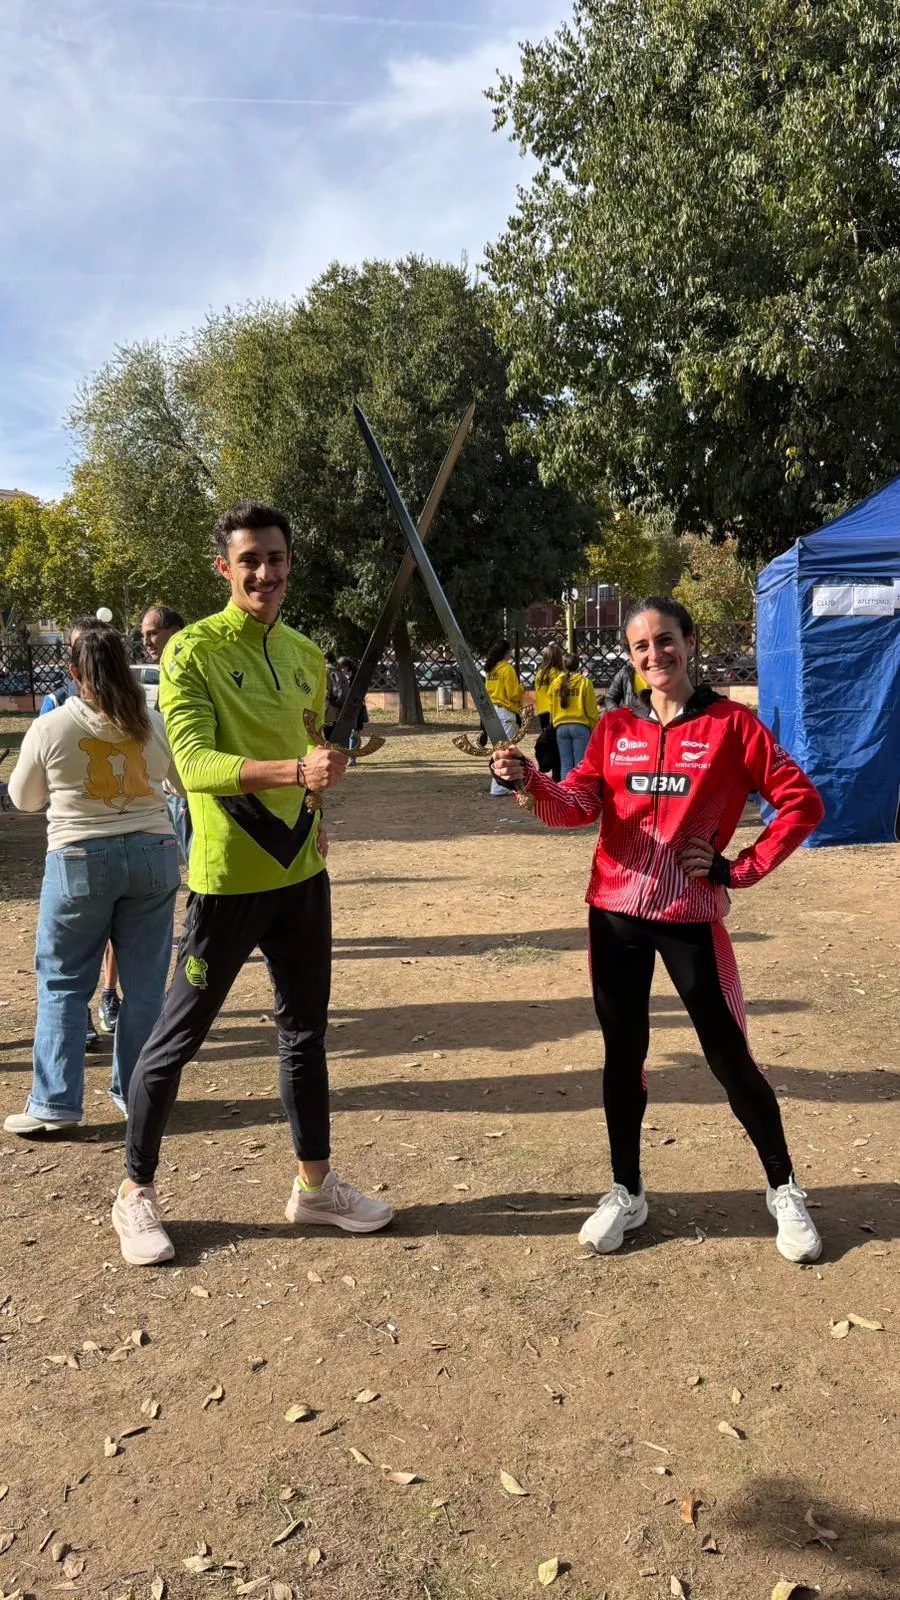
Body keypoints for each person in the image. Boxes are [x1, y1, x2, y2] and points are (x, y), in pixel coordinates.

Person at [490, 595, 826, 1265]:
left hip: (689, 917)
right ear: (631, 656)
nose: (654, 655)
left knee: (728, 1057)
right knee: (623, 1056)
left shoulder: (733, 726)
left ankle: (783, 1187)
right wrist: (530, 780)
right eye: (641, 646)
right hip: (614, 913)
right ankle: (627, 1191)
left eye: (665, 639)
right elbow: (576, 805)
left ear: (689, 641)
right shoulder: (615, 727)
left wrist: (737, 869)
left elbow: (802, 803)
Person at [112, 500, 393, 1268]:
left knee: (305, 1034)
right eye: (250, 561)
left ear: (289, 561)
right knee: (175, 1041)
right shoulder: (192, 651)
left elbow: (312, 753)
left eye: (275, 558)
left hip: (301, 877)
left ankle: (315, 1187)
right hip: (227, 882)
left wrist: (318, 801)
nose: (265, 573)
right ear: (224, 568)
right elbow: (194, 765)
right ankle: (135, 1190)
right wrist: (296, 771)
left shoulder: (305, 654)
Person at [4, 628, 182, 1136]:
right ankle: (139, 1094)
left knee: (63, 981)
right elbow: (181, 784)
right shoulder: (151, 722)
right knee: (146, 985)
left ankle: (56, 1102)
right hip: (153, 853)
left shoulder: (52, 725)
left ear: (74, 672)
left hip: (80, 855)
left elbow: (23, 799)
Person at [40, 615, 120, 1042]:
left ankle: (109, 995)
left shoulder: (130, 707)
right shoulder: (55, 703)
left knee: (116, 929)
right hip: (76, 838)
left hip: (122, 832)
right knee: (77, 939)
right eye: (79, 646)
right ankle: (83, 1012)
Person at [140, 606, 191, 862]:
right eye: (143, 636)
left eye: (152, 633)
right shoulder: (169, 673)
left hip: (188, 788)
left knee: (197, 858)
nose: (146, 642)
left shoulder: (186, 673)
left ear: (175, 632)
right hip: (174, 789)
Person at [484, 639, 523, 796]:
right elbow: (513, 694)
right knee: (506, 750)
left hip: (491, 712)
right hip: (505, 711)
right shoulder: (507, 669)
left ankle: (500, 785)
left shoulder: (491, 670)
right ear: (507, 652)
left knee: (497, 749)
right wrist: (521, 689)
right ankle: (500, 786)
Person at [550, 652, 599, 777]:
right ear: (578, 665)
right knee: (580, 765)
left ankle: (565, 788)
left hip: (560, 726)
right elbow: (591, 710)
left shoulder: (555, 683)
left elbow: (552, 706)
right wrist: (594, 728)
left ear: (562, 665)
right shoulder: (585, 682)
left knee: (565, 764)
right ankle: (578, 788)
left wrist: (554, 724)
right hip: (580, 726)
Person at [533, 642, 564, 781]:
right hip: (554, 713)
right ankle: (557, 775)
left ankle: (549, 770)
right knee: (557, 746)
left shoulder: (539, 674)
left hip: (542, 712)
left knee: (549, 742)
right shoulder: (557, 674)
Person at [336, 656, 368, 764]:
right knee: (343, 732)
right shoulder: (339, 676)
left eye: (343, 667)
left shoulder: (356, 676)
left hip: (355, 707)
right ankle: (344, 756)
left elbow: (360, 691)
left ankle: (352, 758)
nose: (341, 669)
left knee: (354, 733)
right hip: (342, 707)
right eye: (340, 668)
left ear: (347, 666)